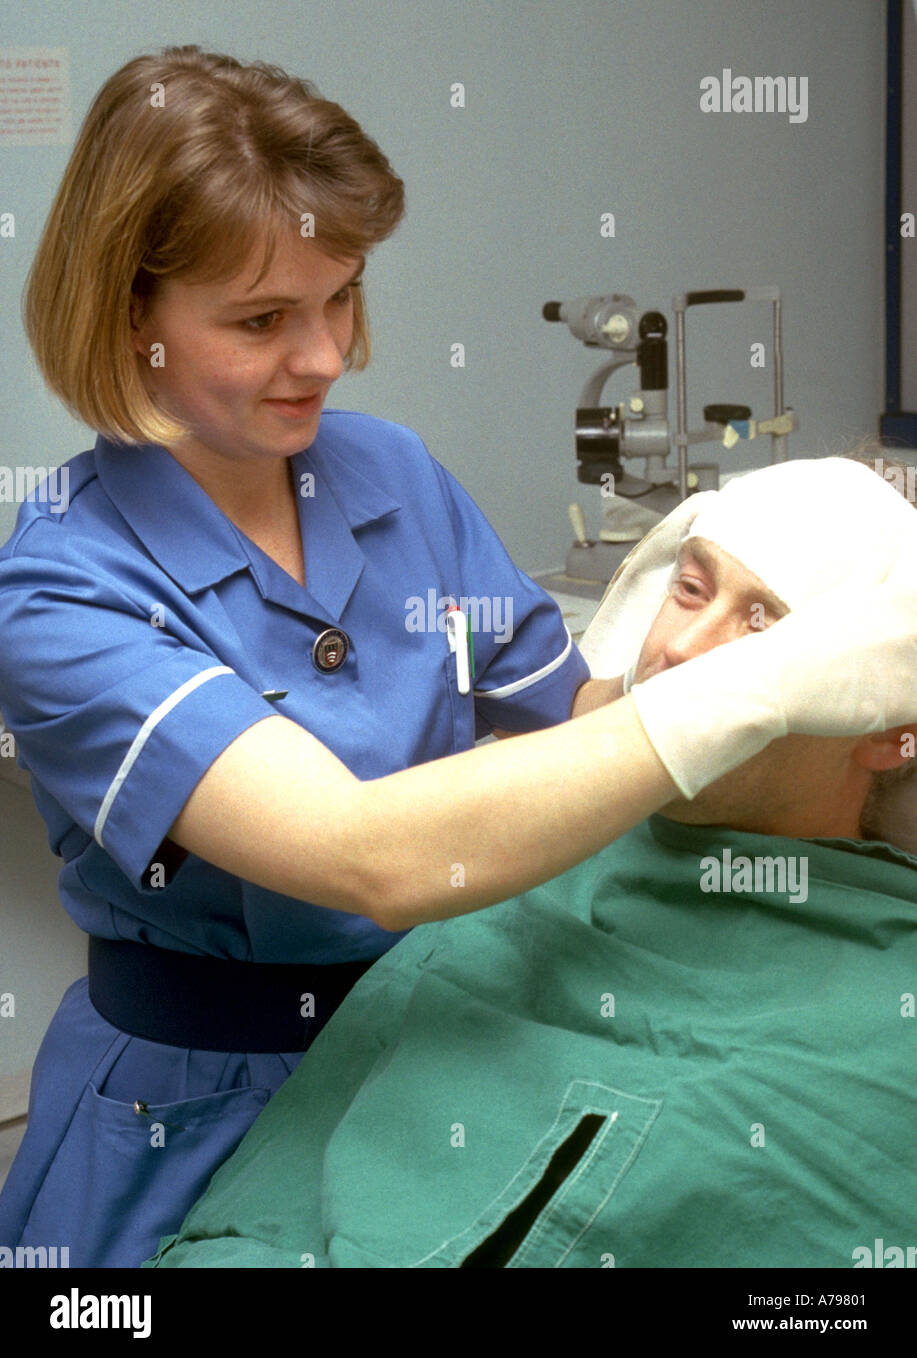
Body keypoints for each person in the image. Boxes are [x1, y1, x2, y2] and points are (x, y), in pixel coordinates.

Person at [0, 42, 913, 1269]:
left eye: (344, 297)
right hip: (194, 1102)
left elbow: (576, 712)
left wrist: (688, 616)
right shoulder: (64, 584)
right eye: (264, 320)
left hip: (427, 1045)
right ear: (131, 316)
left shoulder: (388, 475)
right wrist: (750, 681)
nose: (326, 357)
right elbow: (360, 855)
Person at [145, 455, 917, 1270]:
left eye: (764, 627)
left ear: (881, 724)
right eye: (687, 589)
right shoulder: (529, 864)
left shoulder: (882, 1000)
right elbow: (263, 1209)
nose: (683, 648)